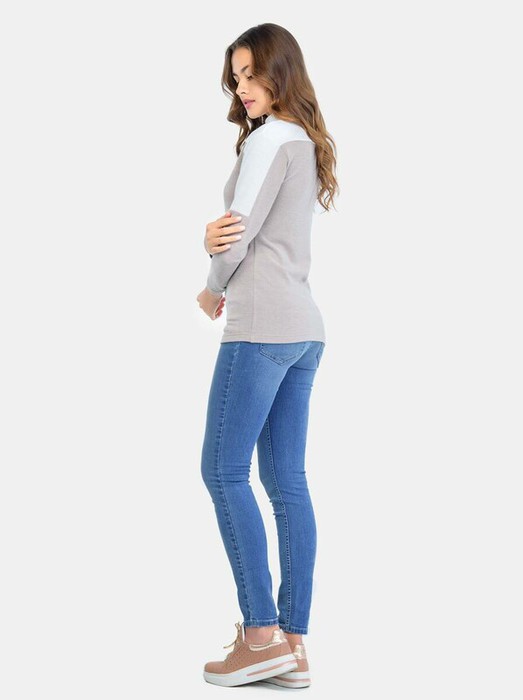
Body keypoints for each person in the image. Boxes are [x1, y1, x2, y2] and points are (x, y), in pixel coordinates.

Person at [196, 22, 339, 688]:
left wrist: (210, 283)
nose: (243, 87)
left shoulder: (267, 140)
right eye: (236, 77)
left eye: (253, 73)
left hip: (260, 327)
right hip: (304, 329)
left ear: (281, 72)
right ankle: (294, 646)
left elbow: (235, 233)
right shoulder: (304, 140)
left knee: (222, 471)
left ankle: (259, 636)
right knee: (287, 483)